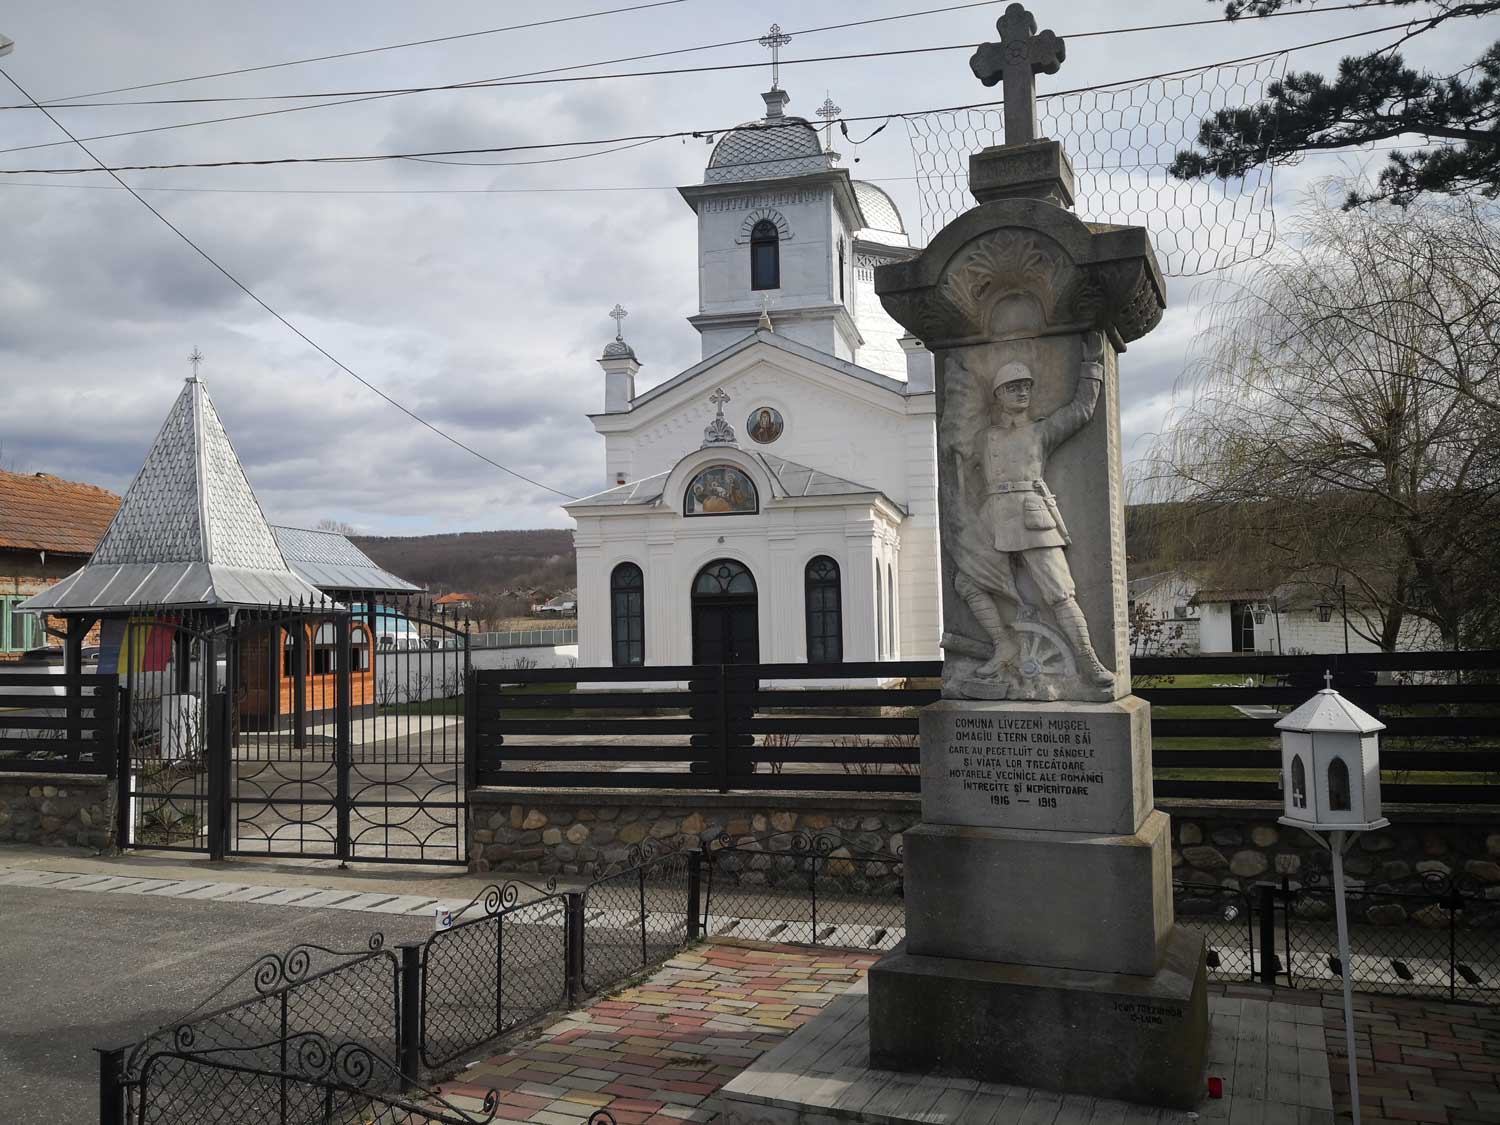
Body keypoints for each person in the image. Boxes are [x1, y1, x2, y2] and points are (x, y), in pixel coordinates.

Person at [948, 331, 1114, 687]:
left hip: (1031, 515)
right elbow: (959, 448)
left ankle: (1089, 661)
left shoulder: (1041, 431)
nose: (1021, 392)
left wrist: (1091, 365)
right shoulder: (984, 437)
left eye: (1026, 386)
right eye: (1012, 387)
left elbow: (1082, 411)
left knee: (1059, 593)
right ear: (998, 396)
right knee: (966, 581)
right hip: (991, 519)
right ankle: (1003, 644)